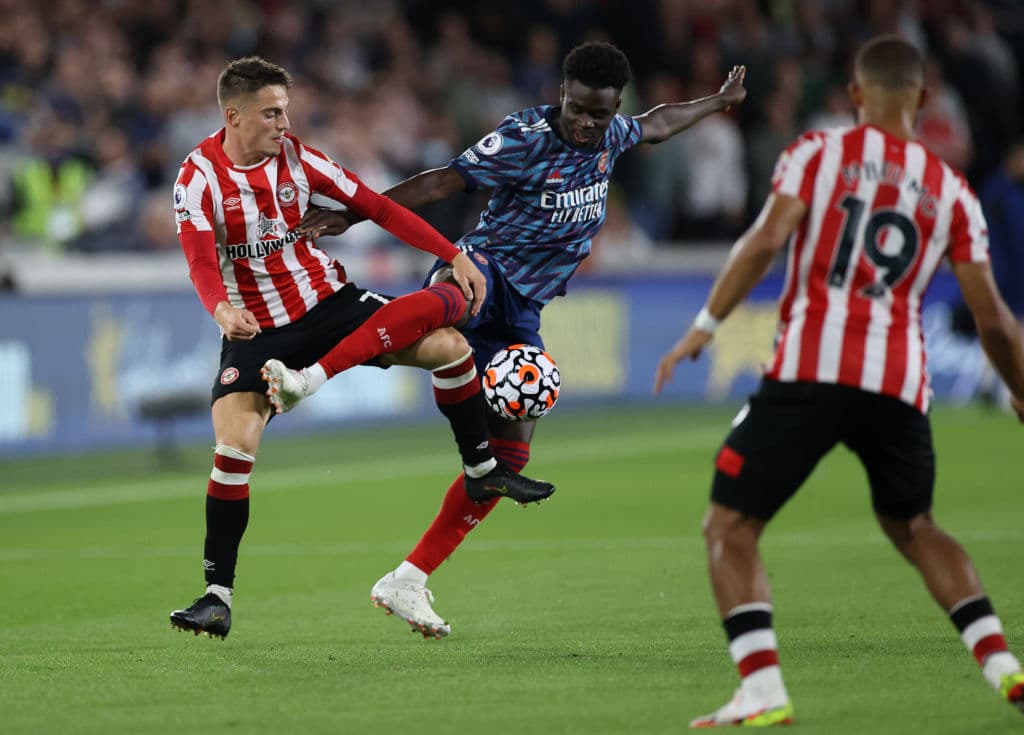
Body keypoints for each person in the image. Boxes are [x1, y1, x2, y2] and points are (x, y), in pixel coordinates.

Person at [286, 41, 747, 637]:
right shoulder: (526, 137)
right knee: (453, 299)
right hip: (484, 265)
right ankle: (318, 366)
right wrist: (353, 216)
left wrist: (717, 100)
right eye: (577, 108)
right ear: (562, 93)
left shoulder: (614, 134)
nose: (585, 124)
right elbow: (442, 183)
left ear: (613, 108)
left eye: (598, 113)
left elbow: (658, 124)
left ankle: (409, 579)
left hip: (523, 307)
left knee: (511, 458)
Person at [653, 35, 1024, 727]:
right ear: (921, 97)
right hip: (899, 381)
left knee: (730, 525)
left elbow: (763, 241)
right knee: (916, 524)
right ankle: (1001, 662)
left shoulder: (818, 155)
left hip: (809, 371)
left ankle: (761, 687)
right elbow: (996, 320)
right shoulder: (952, 192)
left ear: (856, 94)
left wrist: (706, 323)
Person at [168, 56, 554, 641]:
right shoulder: (197, 179)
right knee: (234, 450)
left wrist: (454, 254)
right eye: (271, 113)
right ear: (234, 114)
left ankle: (482, 468)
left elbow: (379, 207)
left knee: (449, 346)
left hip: (330, 302)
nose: (283, 122)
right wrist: (221, 308)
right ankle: (216, 598)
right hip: (257, 328)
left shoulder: (300, 158)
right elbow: (200, 259)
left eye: (286, 110)